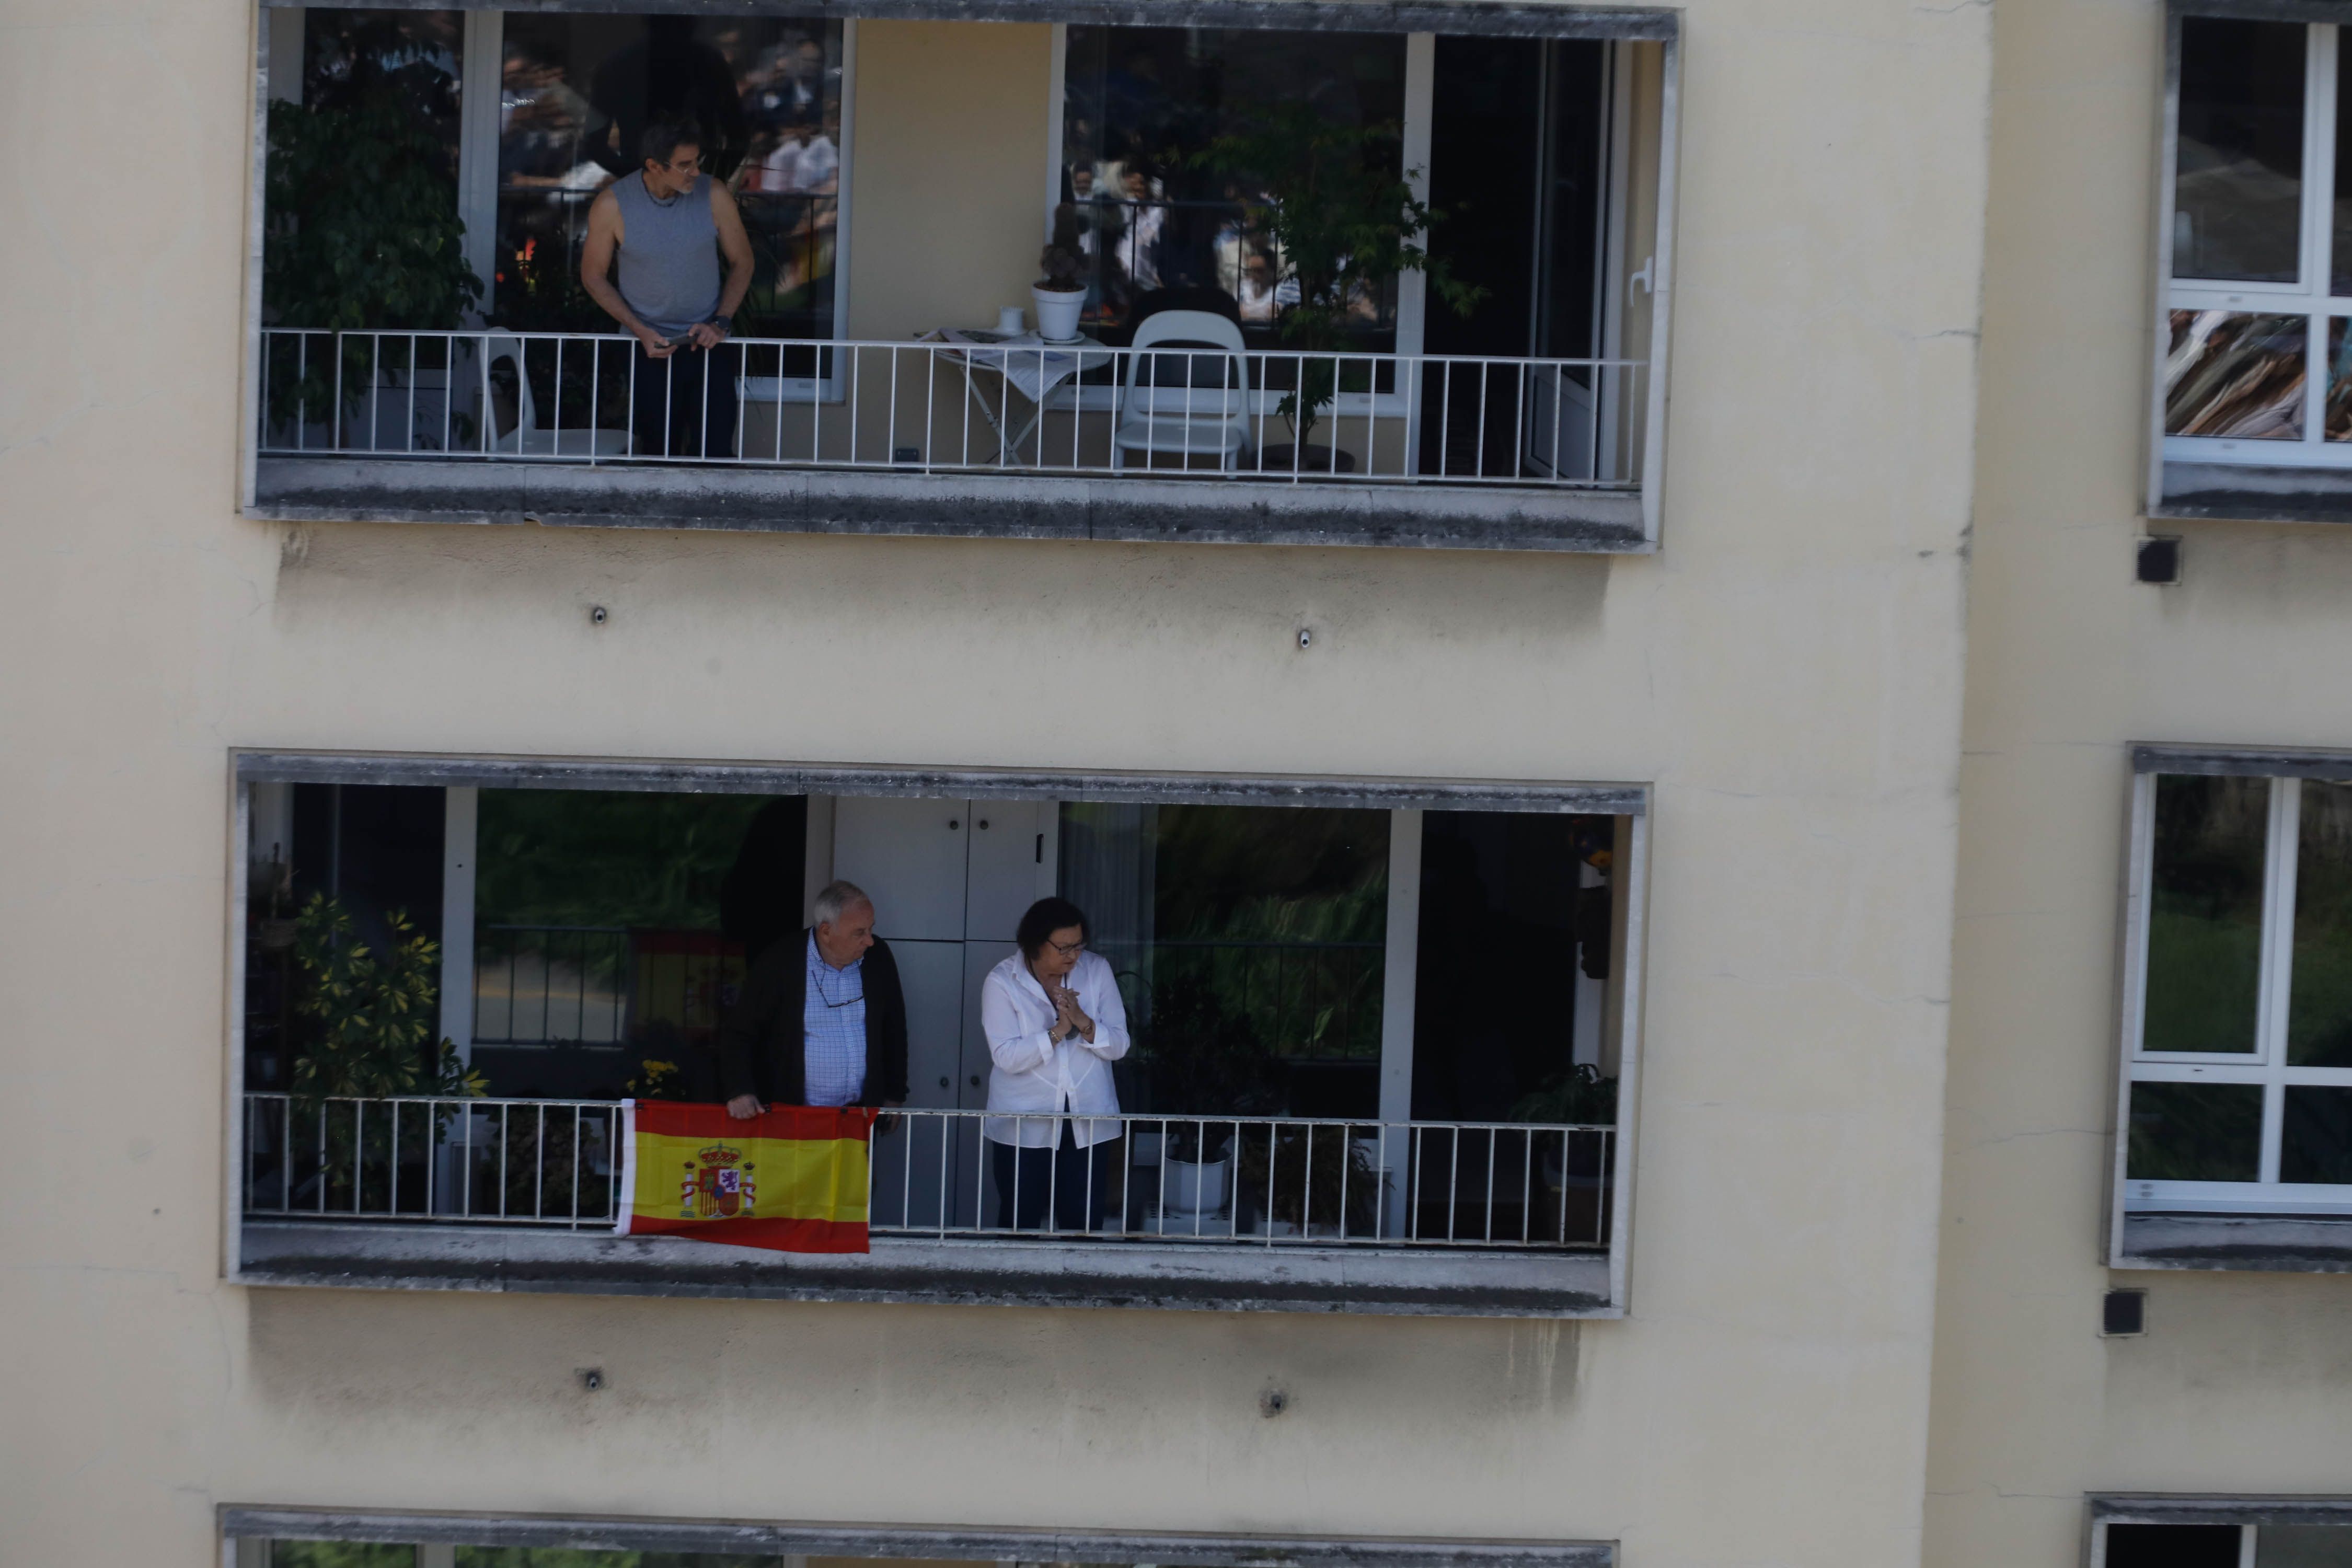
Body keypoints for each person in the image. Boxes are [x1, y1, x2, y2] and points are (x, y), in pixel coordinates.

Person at [579, 122, 754, 460]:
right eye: (685, 165)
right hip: (649, 346)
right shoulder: (613, 204)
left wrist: (721, 322)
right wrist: (640, 330)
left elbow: (743, 262)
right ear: (654, 166)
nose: (695, 171)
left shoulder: (713, 194)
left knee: (716, 450)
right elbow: (593, 276)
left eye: (697, 161)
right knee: (658, 453)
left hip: (708, 341)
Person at [980, 897, 1130, 1232]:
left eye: (1078, 946)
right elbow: (1005, 1056)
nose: (1073, 956)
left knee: (1083, 1223)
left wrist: (1084, 1023)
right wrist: (1057, 1032)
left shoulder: (1096, 970)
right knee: (1021, 1220)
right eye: (1063, 948)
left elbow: (1120, 1044)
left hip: (1087, 1120)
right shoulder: (1003, 981)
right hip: (1022, 1123)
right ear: (1035, 943)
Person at [717, 880, 908, 1119]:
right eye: (859, 933)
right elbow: (739, 1032)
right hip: (794, 1118)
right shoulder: (780, 962)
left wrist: (895, 1095)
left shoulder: (877, 957)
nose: (869, 940)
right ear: (826, 932)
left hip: (859, 1116)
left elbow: (894, 1029)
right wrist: (740, 1090)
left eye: (870, 929)